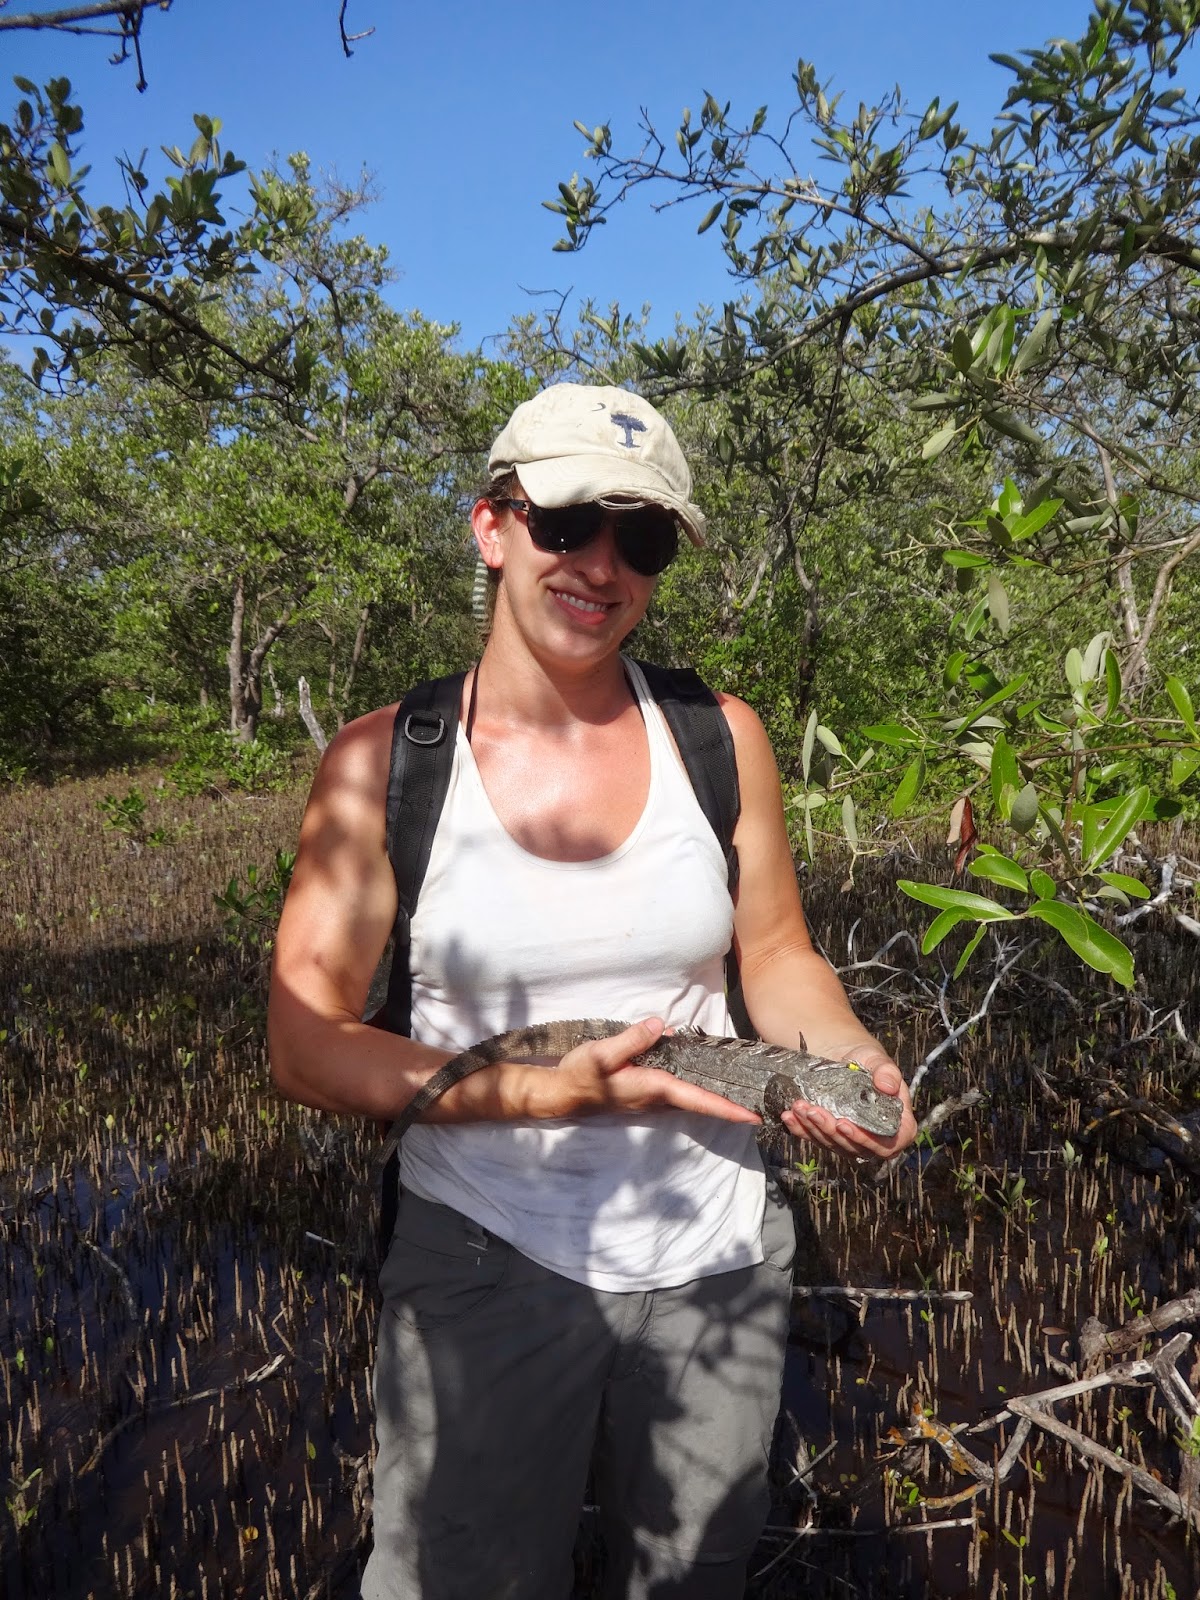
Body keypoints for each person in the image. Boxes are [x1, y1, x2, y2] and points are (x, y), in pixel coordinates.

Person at [267, 382, 916, 1600]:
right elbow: (305, 1043)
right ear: (492, 526)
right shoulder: (382, 762)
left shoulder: (720, 735)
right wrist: (534, 1094)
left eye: (644, 538)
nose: (602, 566)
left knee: (687, 1574)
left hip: (717, 1251)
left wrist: (847, 1052)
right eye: (568, 524)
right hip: (482, 1252)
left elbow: (775, 956)